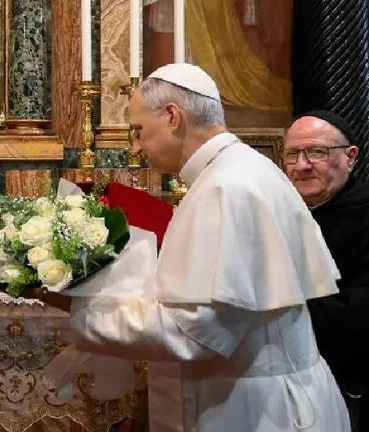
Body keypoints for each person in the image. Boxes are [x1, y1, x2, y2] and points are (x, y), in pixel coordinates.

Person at [31, 63, 349, 431]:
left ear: (172, 116)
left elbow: (194, 333)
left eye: (138, 130)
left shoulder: (226, 186)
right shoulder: (241, 170)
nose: (135, 146)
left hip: (257, 411)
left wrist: (79, 306)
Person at [284, 111, 369, 431]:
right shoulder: (282, 212)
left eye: (317, 152)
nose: (301, 165)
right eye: (292, 154)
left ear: (350, 157)